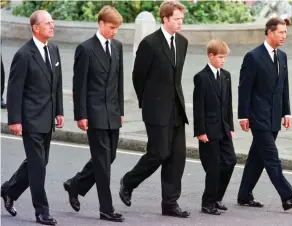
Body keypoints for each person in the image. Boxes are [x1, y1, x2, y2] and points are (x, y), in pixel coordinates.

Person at [119, 1, 190, 218]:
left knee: (177, 157)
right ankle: (128, 181)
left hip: (176, 108)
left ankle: (170, 203)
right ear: (165, 19)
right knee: (158, 153)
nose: (180, 23)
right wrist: (147, 102)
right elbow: (137, 77)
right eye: (176, 19)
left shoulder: (183, 42)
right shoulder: (149, 44)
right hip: (156, 109)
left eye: (181, 19)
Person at [1, 10, 63, 225]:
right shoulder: (24, 54)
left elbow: (57, 85)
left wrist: (59, 111)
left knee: (41, 161)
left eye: (52, 22)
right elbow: (14, 90)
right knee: (38, 165)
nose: (52, 26)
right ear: (35, 28)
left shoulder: (53, 50)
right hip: (30, 119)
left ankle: (9, 190)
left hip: (47, 117)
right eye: (47, 23)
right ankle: (42, 211)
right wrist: (15, 120)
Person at [64, 6, 124, 222]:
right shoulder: (85, 49)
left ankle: (75, 184)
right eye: (111, 27)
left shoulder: (117, 47)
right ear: (100, 24)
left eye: (117, 28)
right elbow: (78, 85)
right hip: (94, 113)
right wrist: (80, 115)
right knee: (101, 163)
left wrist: (121, 111)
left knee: (110, 157)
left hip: (112, 112)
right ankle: (106, 209)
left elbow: (119, 81)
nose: (114, 31)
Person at [237, 17, 292, 211]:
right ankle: (287, 196)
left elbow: (284, 87)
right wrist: (243, 116)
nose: (284, 36)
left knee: (256, 158)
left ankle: (244, 194)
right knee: (271, 157)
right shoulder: (253, 57)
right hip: (258, 117)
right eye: (281, 32)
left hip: (274, 116)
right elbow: (245, 89)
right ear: (270, 32)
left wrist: (287, 112)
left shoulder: (282, 56)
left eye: (285, 32)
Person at [193, 39, 236, 215]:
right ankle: (207, 203)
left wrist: (231, 126)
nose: (223, 60)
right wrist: (200, 131)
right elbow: (198, 107)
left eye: (225, 57)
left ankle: (217, 196)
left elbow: (228, 104)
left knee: (230, 161)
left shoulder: (226, 76)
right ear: (210, 56)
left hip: (224, 128)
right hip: (208, 130)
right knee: (214, 167)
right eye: (220, 57)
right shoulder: (201, 77)